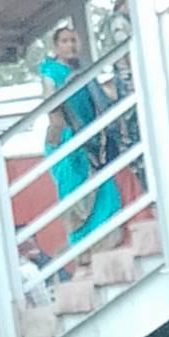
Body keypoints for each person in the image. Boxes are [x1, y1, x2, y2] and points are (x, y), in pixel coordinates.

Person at [39, 22, 121, 248]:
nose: (71, 45)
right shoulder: (51, 73)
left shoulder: (83, 72)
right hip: (65, 141)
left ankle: (104, 242)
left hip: (89, 140)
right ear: (56, 46)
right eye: (65, 41)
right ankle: (81, 245)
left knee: (104, 189)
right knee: (74, 194)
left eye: (74, 40)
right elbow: (50, 105)